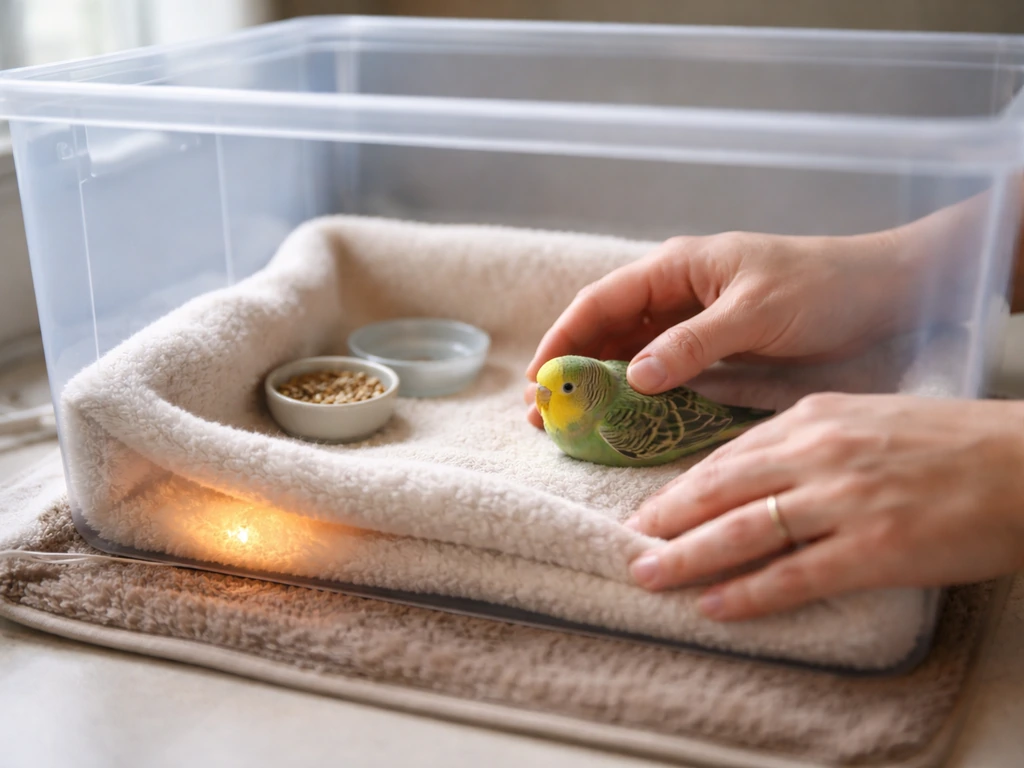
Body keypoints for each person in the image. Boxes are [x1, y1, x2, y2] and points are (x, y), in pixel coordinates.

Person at [524, 181, 1024, 622]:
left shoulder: (614, 425)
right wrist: (896, 268)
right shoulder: (576, 405)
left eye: (562, 389)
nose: (543, 396)